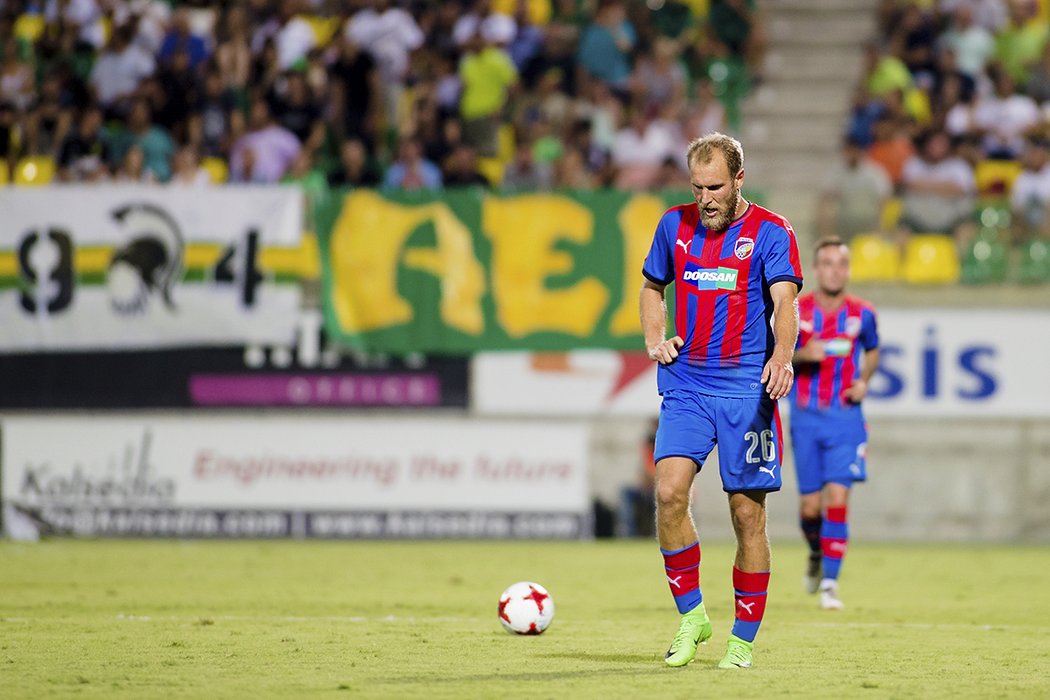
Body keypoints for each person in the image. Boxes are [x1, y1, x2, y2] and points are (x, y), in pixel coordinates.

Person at [640, 132, 802, 670]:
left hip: (744, 391)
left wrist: (781, 356)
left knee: (746, 515)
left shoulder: (773, 232)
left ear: (738, 180)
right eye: (697, 187)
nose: (705, 198)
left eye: (715, 187)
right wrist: (654, 337)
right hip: (686, 383)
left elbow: (785, 303)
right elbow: (650, 287)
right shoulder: (674, 225)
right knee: (667, 493)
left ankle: (742, 641)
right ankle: (692, 617)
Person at [789, 237, 879, 611]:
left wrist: (864, 381)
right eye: (827, 263)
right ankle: (815, 552)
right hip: (805, 418)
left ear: (848, 269)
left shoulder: (863, 313)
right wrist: (799, 354)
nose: (834, 270)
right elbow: (772, 354)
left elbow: (872, 349)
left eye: (841, 264)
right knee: (811, 508)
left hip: (845, 418)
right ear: (816, 268)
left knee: (838, 498)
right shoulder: (796, 310)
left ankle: (830, 584)